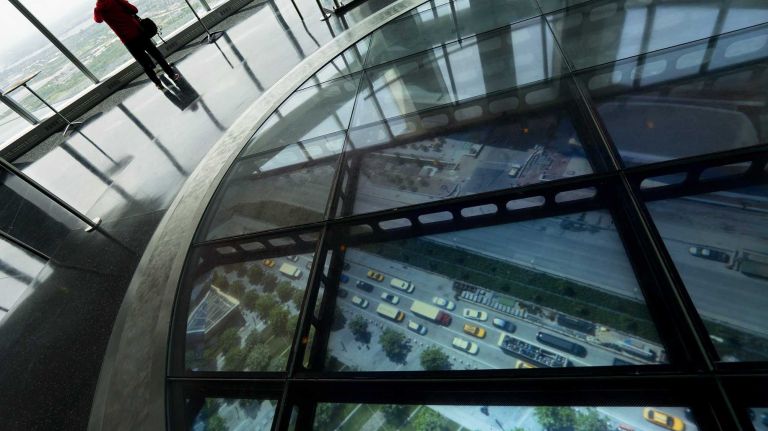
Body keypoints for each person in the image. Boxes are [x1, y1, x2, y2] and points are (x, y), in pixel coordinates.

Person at [94, 0, 179, 89]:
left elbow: (98, 20)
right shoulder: (117, 1)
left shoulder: (98, 9)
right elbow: (134, 10)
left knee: (144, 64)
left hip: (127, 40)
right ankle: (171, 75)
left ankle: (158, 83)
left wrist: (97, 9)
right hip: (139, 33)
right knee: (157, 55)